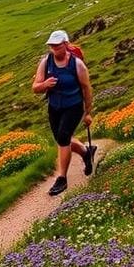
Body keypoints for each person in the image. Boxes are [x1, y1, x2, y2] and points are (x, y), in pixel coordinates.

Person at [32, 29, 95, 196]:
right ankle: (86, 152)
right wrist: (45, 84)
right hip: (54, 107)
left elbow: (86, 89)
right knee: (61, 140)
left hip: (73, 106)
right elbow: (35, 87)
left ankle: (62, 179)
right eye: (52, 46)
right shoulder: (46, 62)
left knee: (63, 138)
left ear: (66, 45)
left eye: (57, 46)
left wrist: (88, 113)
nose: (54, 49)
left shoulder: (77, 65)